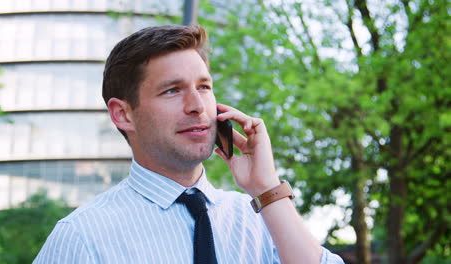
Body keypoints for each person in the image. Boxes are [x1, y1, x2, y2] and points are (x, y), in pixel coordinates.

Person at [34, 25, 344, 264]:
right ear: (123, 113)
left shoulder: (261, 218)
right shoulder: (82, 237)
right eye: (172, 90)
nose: (197, 105)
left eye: (204, 87)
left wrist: (267, 188)